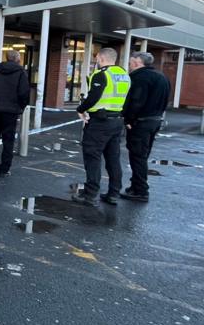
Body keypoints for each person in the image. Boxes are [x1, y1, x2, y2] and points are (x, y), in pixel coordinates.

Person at [72, 47, 130, 206]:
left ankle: (90, 194)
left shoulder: (101, 74)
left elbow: (93, 97)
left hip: (100, 122)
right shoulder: (124, 75)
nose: (96, 60)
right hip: (116, 120)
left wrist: (80, 109)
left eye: (97, 58)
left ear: (101, 58)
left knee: (92, 156)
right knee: (113, 158)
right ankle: (114, 193)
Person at [119, 52, 170, 203]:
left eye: (130, 62)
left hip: (141, 122)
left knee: (137, 156)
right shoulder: (162, 77)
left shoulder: (139, 77)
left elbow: (136, 101)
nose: (129, 65)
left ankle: (140, 190)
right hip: (155, 120)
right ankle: (135, 186)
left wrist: (128, 119)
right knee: (143, 155)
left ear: (137, 62)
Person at [0, 50, 30, 176]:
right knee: (8, 140)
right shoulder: (21, 72)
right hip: (11, 111)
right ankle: (4, 168)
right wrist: (21, 107)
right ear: (17, 59)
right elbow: (24, 92)